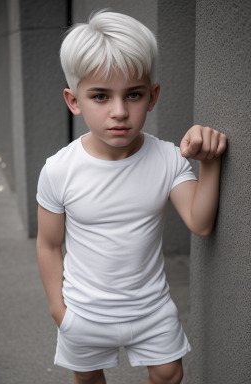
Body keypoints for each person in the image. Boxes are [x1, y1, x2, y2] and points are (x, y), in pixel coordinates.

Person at [36, 10, 227, 384]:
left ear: (152, 96)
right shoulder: (59, 169)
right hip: (84, 311)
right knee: (89, 378)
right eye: (101, 96)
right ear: (74, 101)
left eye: (134, 94)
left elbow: (200, 222)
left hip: (150, 308)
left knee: (170, 373)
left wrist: (210, 162)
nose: (119, 111)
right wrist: (60, 311)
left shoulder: (167, 158)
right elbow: (48, 244)